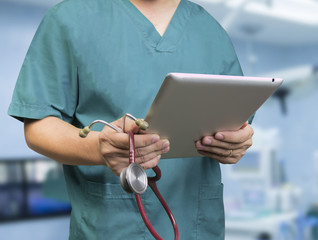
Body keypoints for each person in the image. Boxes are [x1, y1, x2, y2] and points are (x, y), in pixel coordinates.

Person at [8, 0, 254, 238]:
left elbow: (237, 122)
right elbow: (39, 126)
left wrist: (235, 144)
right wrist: (99, 148)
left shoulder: (211, 30)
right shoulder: (69, 19)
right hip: (112, 227)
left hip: (200, 226)